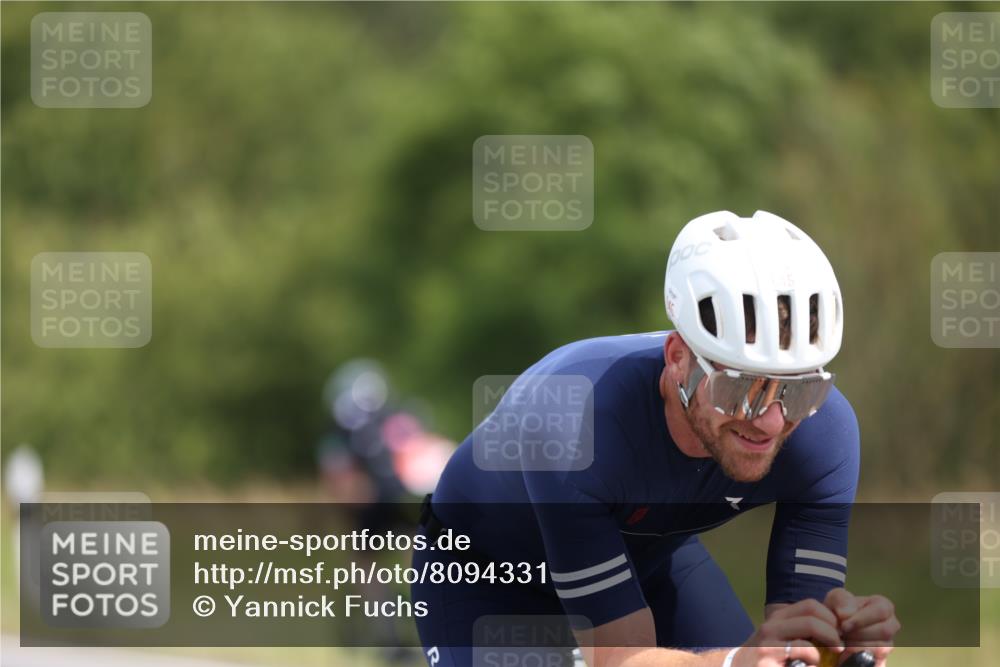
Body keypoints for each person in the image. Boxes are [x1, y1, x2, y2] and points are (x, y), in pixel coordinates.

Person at [411, 211, 900, 667]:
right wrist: (732, 661)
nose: (770, 421)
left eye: (797, 391)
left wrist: (838, 648)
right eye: (741, 388)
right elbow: (621, 658)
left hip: (647, 558)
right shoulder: (576, 420)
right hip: (487, 570)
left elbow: (795, 644)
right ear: (677, 357)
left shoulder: (825, 430)